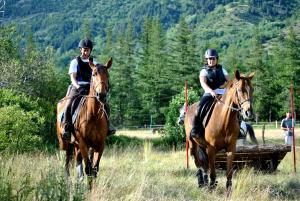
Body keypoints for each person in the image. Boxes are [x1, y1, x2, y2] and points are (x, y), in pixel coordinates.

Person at [61, 38, 116, 141]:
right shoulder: (74, 62)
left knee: (105, 104)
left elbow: (99, 77)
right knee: (69, 104)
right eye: (84, 49)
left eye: (87, 50)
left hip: (91, 88)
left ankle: (108, 125)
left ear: (90, 50)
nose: (85, 52)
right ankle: (66, 128)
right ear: (80, 50)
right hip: (77, 87)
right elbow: (73, 78)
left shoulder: (94, 62)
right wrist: (78, 87)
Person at [190, 48, 230, 141]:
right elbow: (203, 83)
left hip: (222, 92)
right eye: (209, 59)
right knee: (199, 108)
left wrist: (224, 86)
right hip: (209, 93)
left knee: (235, 105)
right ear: (207, 60)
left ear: (216, 59)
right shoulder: (203, 71)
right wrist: (211, 91)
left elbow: (229, 81)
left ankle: (238, 128)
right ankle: (196, 129)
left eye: (213, 58)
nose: (211, 60)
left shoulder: (222, 69)